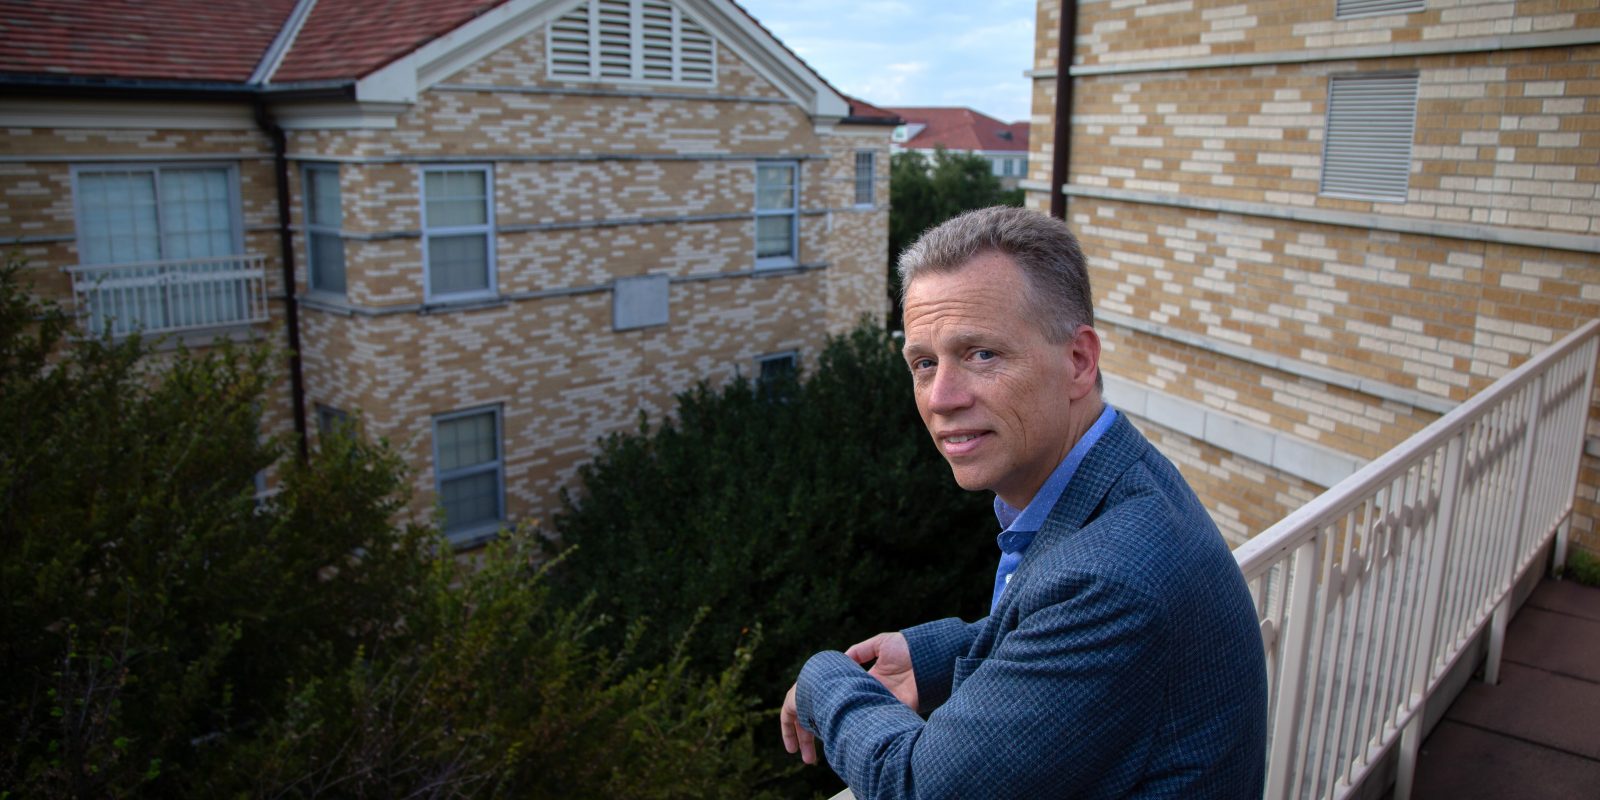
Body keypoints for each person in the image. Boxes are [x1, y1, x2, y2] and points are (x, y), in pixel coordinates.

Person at [779, 207, 1268, 799]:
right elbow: (1057, 643)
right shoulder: (1122, 479)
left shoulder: (1108, 578)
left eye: (982, 354)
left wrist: (822, 678)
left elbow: (916, 787)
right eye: (923, 363)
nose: (941, 398)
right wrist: (931, 658)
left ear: (1078, 362)